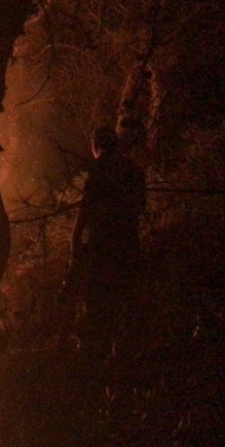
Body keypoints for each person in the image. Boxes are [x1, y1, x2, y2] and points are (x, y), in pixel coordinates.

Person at [66, 125, 146, 354]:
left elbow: (85, 211)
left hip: (101, 248)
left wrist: (75, 240)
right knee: (126, 303)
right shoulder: (134, 171)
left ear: (95, 145)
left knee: (97, 304)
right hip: (129, 244)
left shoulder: (97, 171)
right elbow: (141, 207)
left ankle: (96, 360)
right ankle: (125, 357)